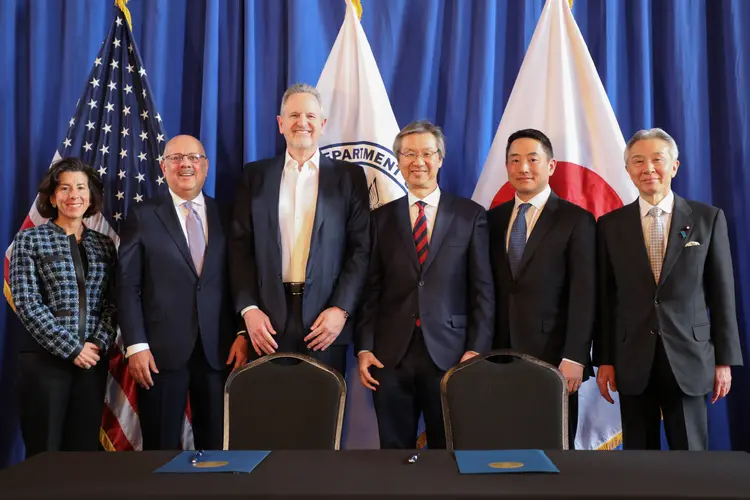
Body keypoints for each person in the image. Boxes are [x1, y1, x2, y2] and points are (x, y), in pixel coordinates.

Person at [595, 128, 743, 450]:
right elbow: (607, 300)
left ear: (674, 166)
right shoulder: (610, 226)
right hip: (631, 359)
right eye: (638, 161)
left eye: (657, 160)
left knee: (691, 460)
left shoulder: (708, 219)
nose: (648, 169)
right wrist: (605, 359)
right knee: (638, 460)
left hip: (690, 357)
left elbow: (722, 296)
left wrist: (724, 361)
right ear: (628, 170)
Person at [356, 120, 494, 449]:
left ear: (440, 158)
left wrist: (476, 348)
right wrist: (364, 347)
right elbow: (370, 289)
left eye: (427, 153)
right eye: (409, 154)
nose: (418, 161)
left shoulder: (470, 215)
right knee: (393, 450)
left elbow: (483, 290)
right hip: (389, 356)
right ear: (398, 160)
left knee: (448, 450)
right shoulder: (379, 219)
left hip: (451, 353)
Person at [116, 135, 248, 450]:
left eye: (193, 157)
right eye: (176, 158)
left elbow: (240, 279)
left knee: (217, 445)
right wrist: (136, 345)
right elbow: (127, 285)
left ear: (206, 166)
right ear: (163, 167)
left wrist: (243, 333)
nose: (185, 164)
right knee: (159, 447)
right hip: (159, 355)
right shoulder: (143, 216)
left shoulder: (228, 215)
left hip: (220, 352)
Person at [229, 83, 370, 376]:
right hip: (265, 322)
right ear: (281, 124)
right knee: (271, 416)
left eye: (309, 116)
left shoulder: (349, 177)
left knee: (323, 416)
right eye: (293, 115)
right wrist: (248, 310)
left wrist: (341, 309)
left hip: (325, 321)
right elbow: (239, 248)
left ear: (322, 124)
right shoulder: (254, 176)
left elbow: (361, 250)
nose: (301, 123)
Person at [487, 129, 596, 449]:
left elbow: (584, 292)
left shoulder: (577, 220)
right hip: (498, 354)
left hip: (555, 357)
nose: (523, 168)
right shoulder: (491, 220)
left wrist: (575, 355)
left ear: (551, 166)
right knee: (503, 443)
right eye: (515, 160)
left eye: (532, 159)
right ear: (506, 167)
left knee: (555, 445)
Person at [10, 157, 117, 457]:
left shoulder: (104, 244)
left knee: (82, 454)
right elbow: (27, 303)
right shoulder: (30, 239)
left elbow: (113, 302)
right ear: (53, 196)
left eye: (81, 188)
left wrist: (96, 343)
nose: (74, 196)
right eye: (65, 188)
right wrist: (72, 348)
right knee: (44, 453)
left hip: (91, 363)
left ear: (91, 196)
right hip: (44, 364)